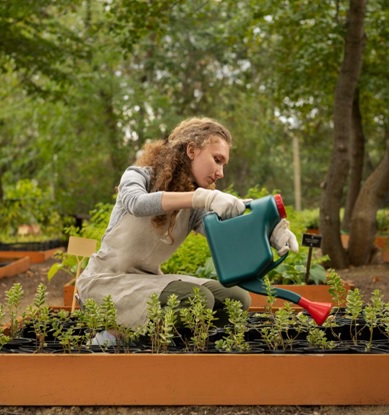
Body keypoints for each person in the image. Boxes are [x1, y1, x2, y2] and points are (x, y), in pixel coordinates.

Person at [76, 117, 298, 333]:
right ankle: (114, 337)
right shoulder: (138, 176)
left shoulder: (193, 209)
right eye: (217, 160)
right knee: (197, 299)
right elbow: (137, 203)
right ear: (192, 150)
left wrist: (269, 230)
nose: (220, 173)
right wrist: (201, 197)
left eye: (224, 164)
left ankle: (177, 345)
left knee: (236, 299)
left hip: (147, 282)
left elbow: (227, 233)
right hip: (106, 283)